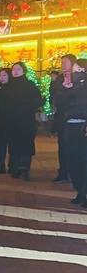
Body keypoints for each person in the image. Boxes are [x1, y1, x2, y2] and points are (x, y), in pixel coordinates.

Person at [5, 62, 44, 181]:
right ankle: (16, 168)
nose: (15, 71)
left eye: (18, 69)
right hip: (12, 121)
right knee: (14, 144)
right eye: (13, 69)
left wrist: (28, 108)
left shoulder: (30, 85)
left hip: (26, 120)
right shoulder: (8, 86)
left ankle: (25, 169)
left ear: (24, 71)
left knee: (25, 144)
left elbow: (39, 100)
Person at [57, 59, 87, 204]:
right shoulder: (71, 86)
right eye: (74, 71)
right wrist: (64, 89)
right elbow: (59, 104)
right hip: (70, 126)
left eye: (79, 70)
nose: (76, 74)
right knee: (73, 160)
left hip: (83, 127)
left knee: (84, 161)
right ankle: (80, 191)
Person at [51, 54, 76, 183]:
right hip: (62, 117)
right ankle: (63, 172)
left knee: (75, 147)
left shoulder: (79, 78)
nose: (62, 65)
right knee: (62, 146)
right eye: (61, 63)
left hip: (75, 118)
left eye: (65, 62)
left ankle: (75, 173)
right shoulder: (59, 79)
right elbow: (54, 95)